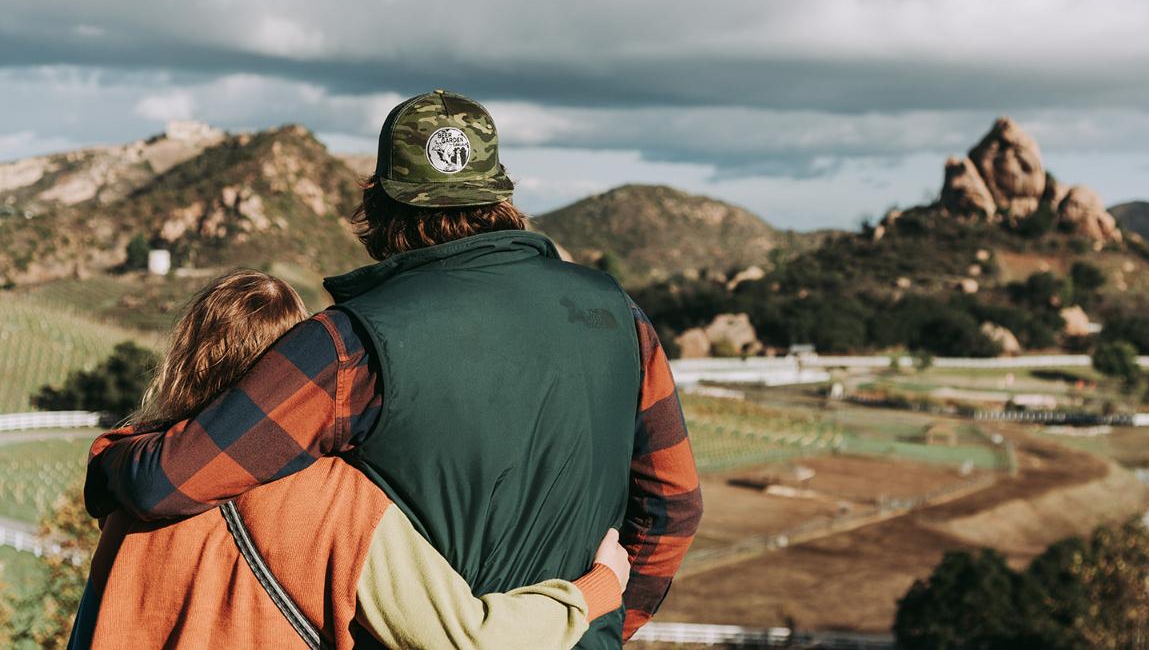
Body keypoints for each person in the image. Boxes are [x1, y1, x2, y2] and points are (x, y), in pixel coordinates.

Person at [85, 90, 703, 647]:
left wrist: (110, 459)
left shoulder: (349, 342)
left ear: (379, 205)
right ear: (501, 197)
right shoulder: (618, 315)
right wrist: (601, 624)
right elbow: (674, 504)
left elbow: (166, 482)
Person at [71, 269, 630, 649]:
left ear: (180, 362)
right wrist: (593, 590)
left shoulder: (132, 495)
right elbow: (466, 639)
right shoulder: (337, 501)